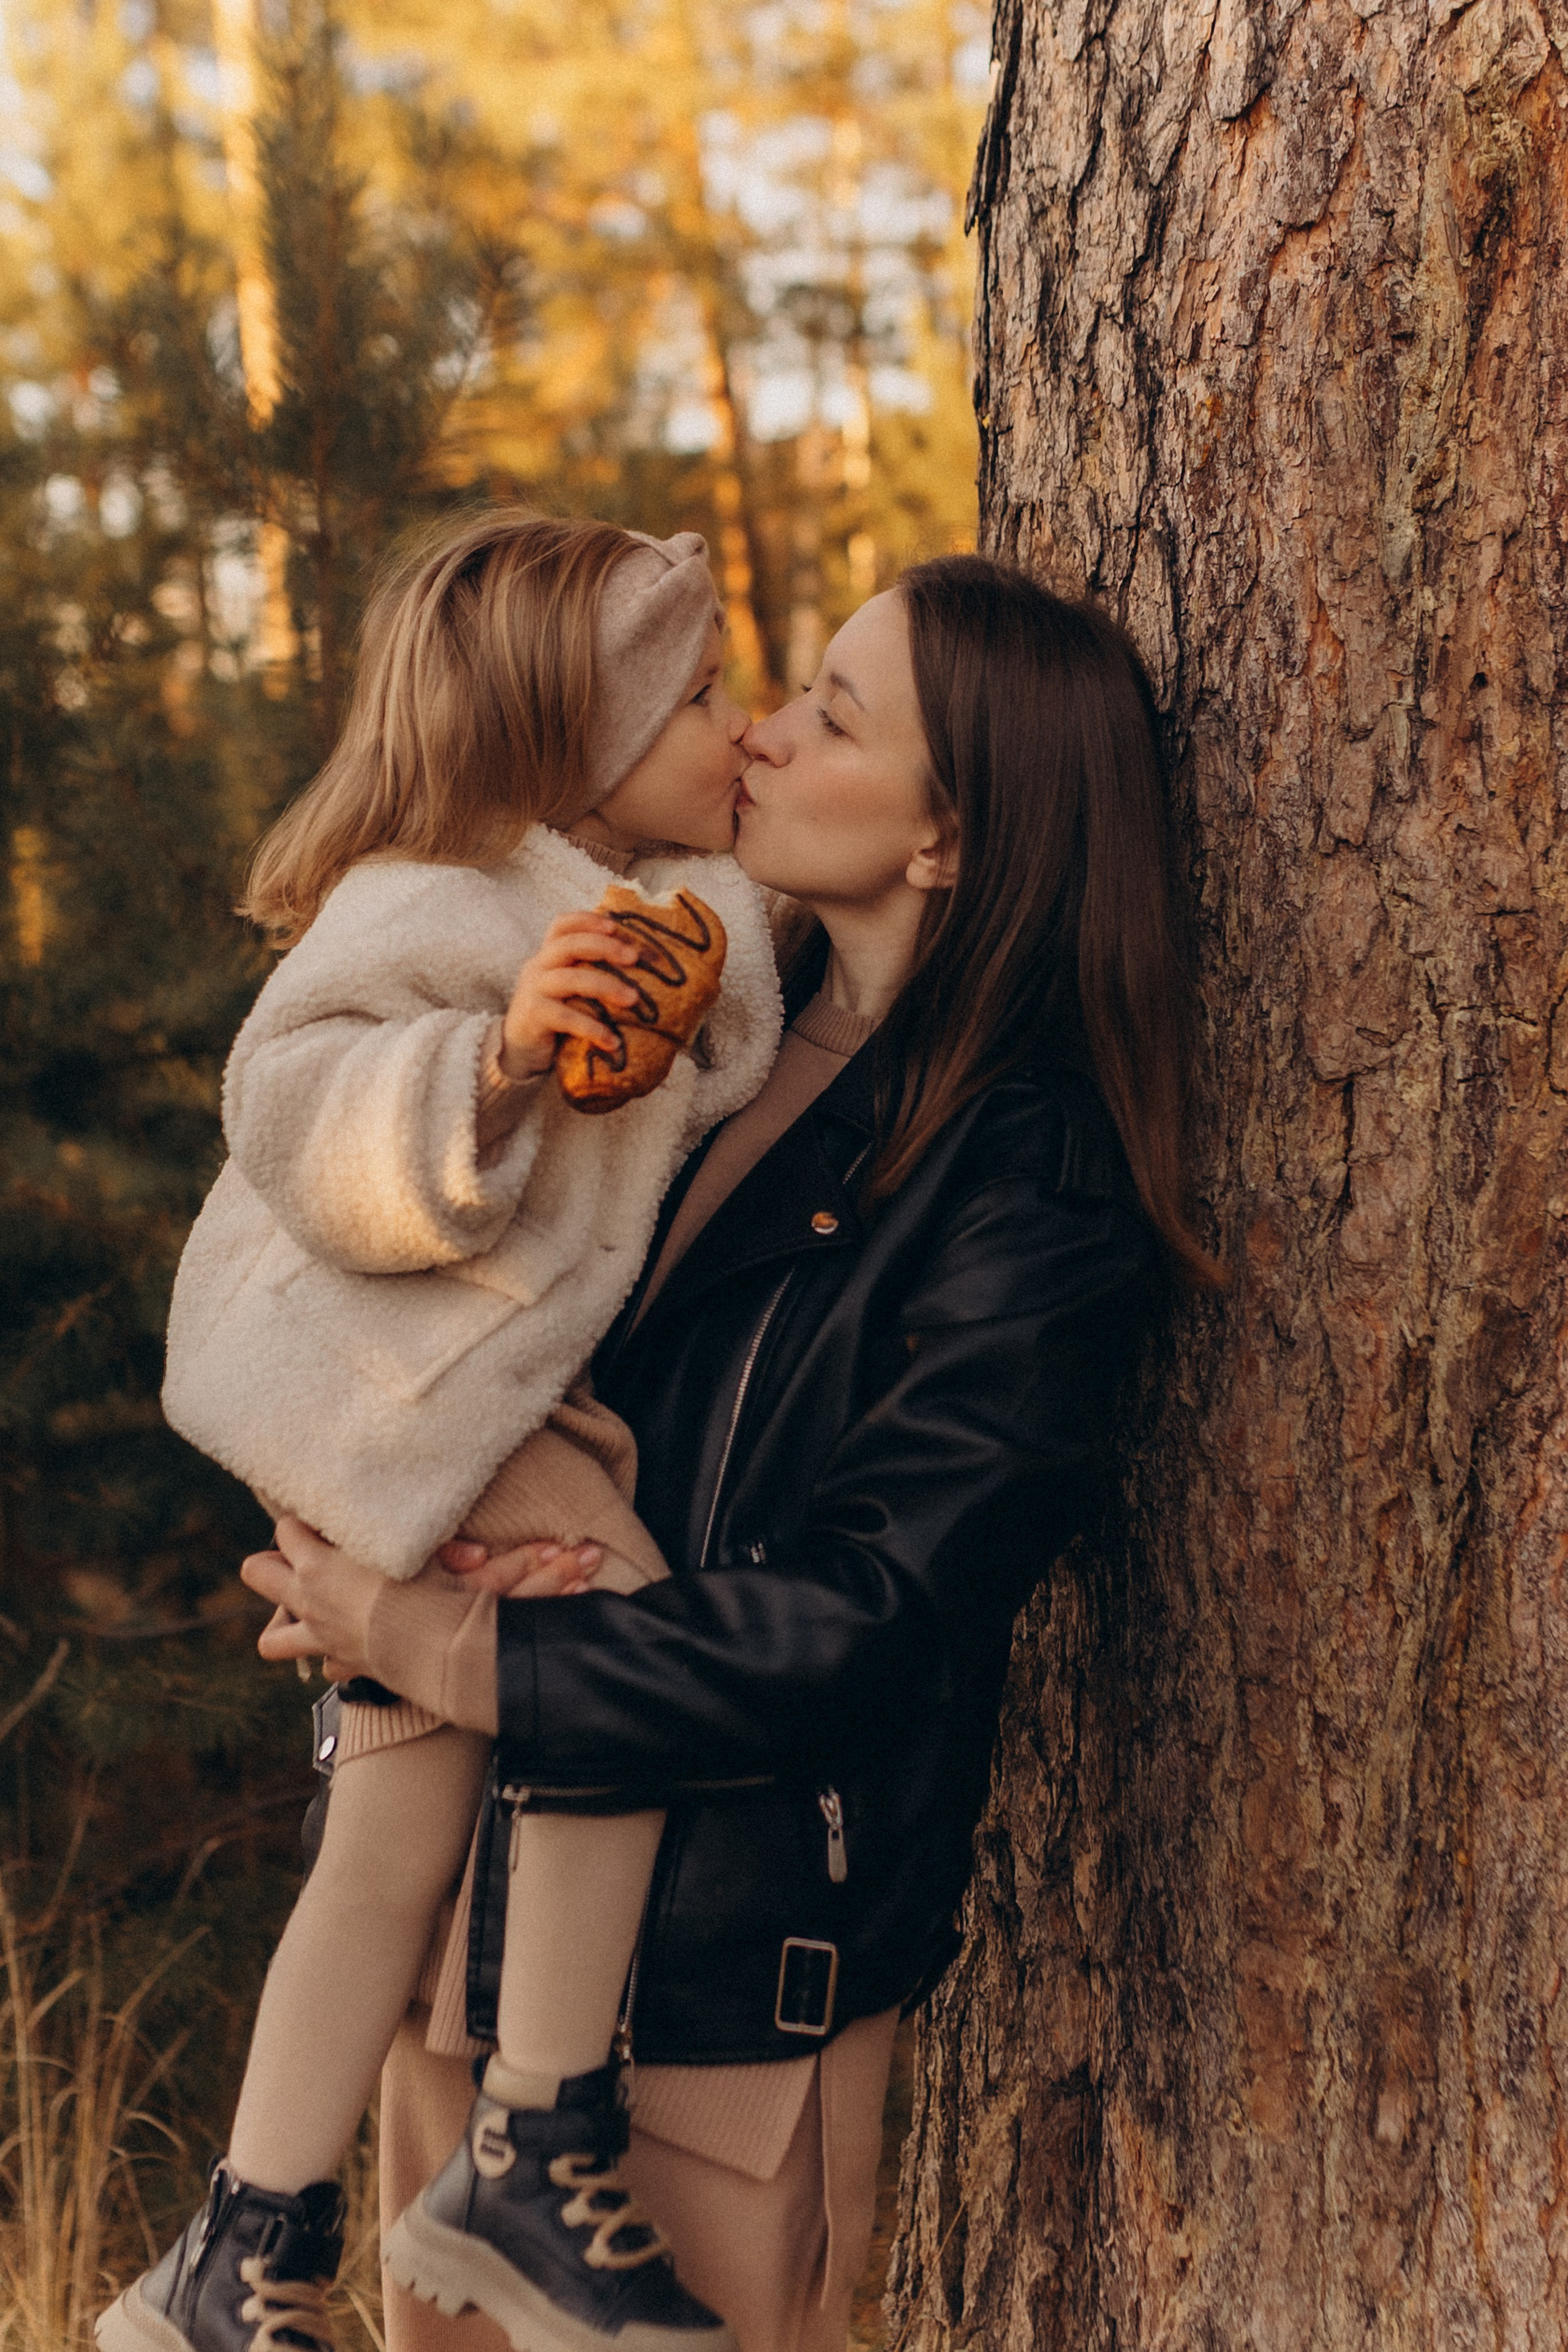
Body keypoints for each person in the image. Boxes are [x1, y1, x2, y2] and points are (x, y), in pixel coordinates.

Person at [241, 554, 1221, 2352]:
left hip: (717, 2001)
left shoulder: (1024, 1177)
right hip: (465, 1946)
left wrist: (446, 1646)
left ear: (947, 839)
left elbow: (873, 1617)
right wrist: (360, 1538)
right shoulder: (689, 1029)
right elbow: (447, 1334)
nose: (761, 733)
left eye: (835, 715)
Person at [97, 513, 784, 2352]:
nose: (746, 724)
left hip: (450, 1419)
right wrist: (483, 1063)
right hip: (374, 1400)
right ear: (577, 746)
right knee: (622, 1646)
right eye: (706, 698)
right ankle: (533, 2145)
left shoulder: (662, 912)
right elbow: (290, 1096)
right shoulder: (438, 899)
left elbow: (713, 1051)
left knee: (390, 1842)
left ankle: (241, 2254)